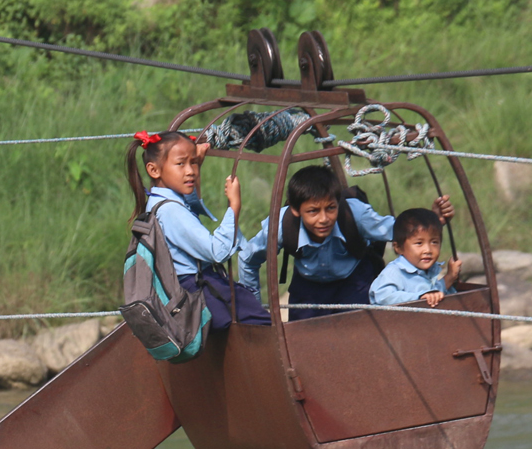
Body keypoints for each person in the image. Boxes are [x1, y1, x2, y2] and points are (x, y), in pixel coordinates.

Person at [238, 165, 454, 320]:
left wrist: (432, 219)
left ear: (337, 203)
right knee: (302, 341)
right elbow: (248, 259)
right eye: (313, 211)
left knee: (360, 334)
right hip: (309, 286)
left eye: (330, 208)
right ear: (296, 210)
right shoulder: (281, 225)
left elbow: (399, 230)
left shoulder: (354, 214)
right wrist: (254, 310)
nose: (323, 219)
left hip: (354, 280)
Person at [132, 130, 272, 327]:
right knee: (262, 324)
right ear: (154, 170)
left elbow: (190, 207)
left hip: (186, 286)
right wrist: (234, 206)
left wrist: (197, 165)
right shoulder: (171, 211)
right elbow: (216, 252)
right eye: (181, 164)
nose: (190, 171)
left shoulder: (159, 201)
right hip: (198, 287)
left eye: (193, 163)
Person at [369, 207, 463, 307]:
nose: (428, 250)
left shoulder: (431, 271)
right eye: (419, 243)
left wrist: (450, 277)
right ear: (398, 247)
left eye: (434, 242)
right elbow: (383, 297)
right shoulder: (395, 272)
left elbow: (434, 296)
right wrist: (419, 297)